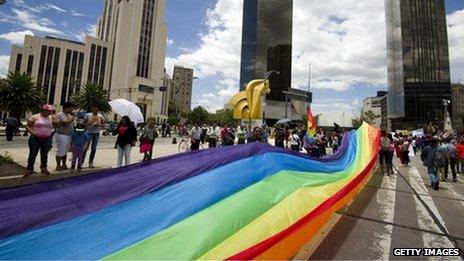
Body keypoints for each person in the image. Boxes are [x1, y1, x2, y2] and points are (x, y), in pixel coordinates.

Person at [23, 104, 56, 177]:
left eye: (50, 111)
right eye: (48, 111)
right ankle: (29, 169)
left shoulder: (50, 118)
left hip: (46, 139)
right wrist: (33, 133)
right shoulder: (35, 117)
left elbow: (55, 126)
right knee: (33, 154)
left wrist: (55, 121)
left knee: (44, 154)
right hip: (35, 139)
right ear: (43, 110)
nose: (49, 112)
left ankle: (44, 168)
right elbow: (28, 126)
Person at [54, 102, 75, 171]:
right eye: (71, 109)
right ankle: (58, 165)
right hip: (62, 135)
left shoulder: (68, 114)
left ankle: (64, 164)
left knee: (65, 151)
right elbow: (66, 122)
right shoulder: (60, 114)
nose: (72, 110)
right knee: (61, 150)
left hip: (68, 135)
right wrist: (74, 116)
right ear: (66, 108)